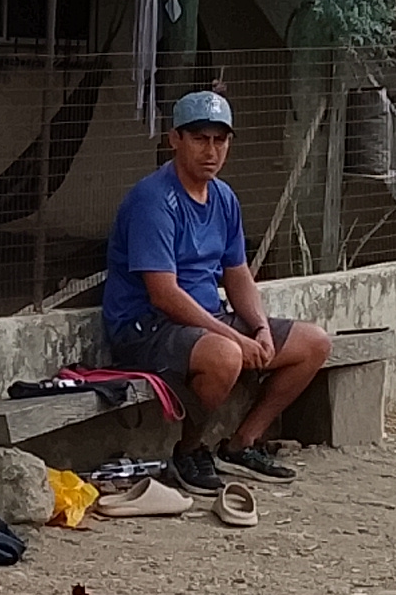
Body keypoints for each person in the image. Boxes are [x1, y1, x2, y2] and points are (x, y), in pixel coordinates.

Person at [101, 88, 333, 492]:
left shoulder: (224, 197)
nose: (211, 151)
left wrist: (259, 329)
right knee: (226, 355)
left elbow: (237, 273)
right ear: (175, 139)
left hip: (205, 320)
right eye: (200, 139)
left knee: (314, 343)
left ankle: (242, 444)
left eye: (220, 140)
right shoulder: (153, 200)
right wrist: (235, 339)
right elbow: (163, 294)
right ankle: (188, 451)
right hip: (145, 327)